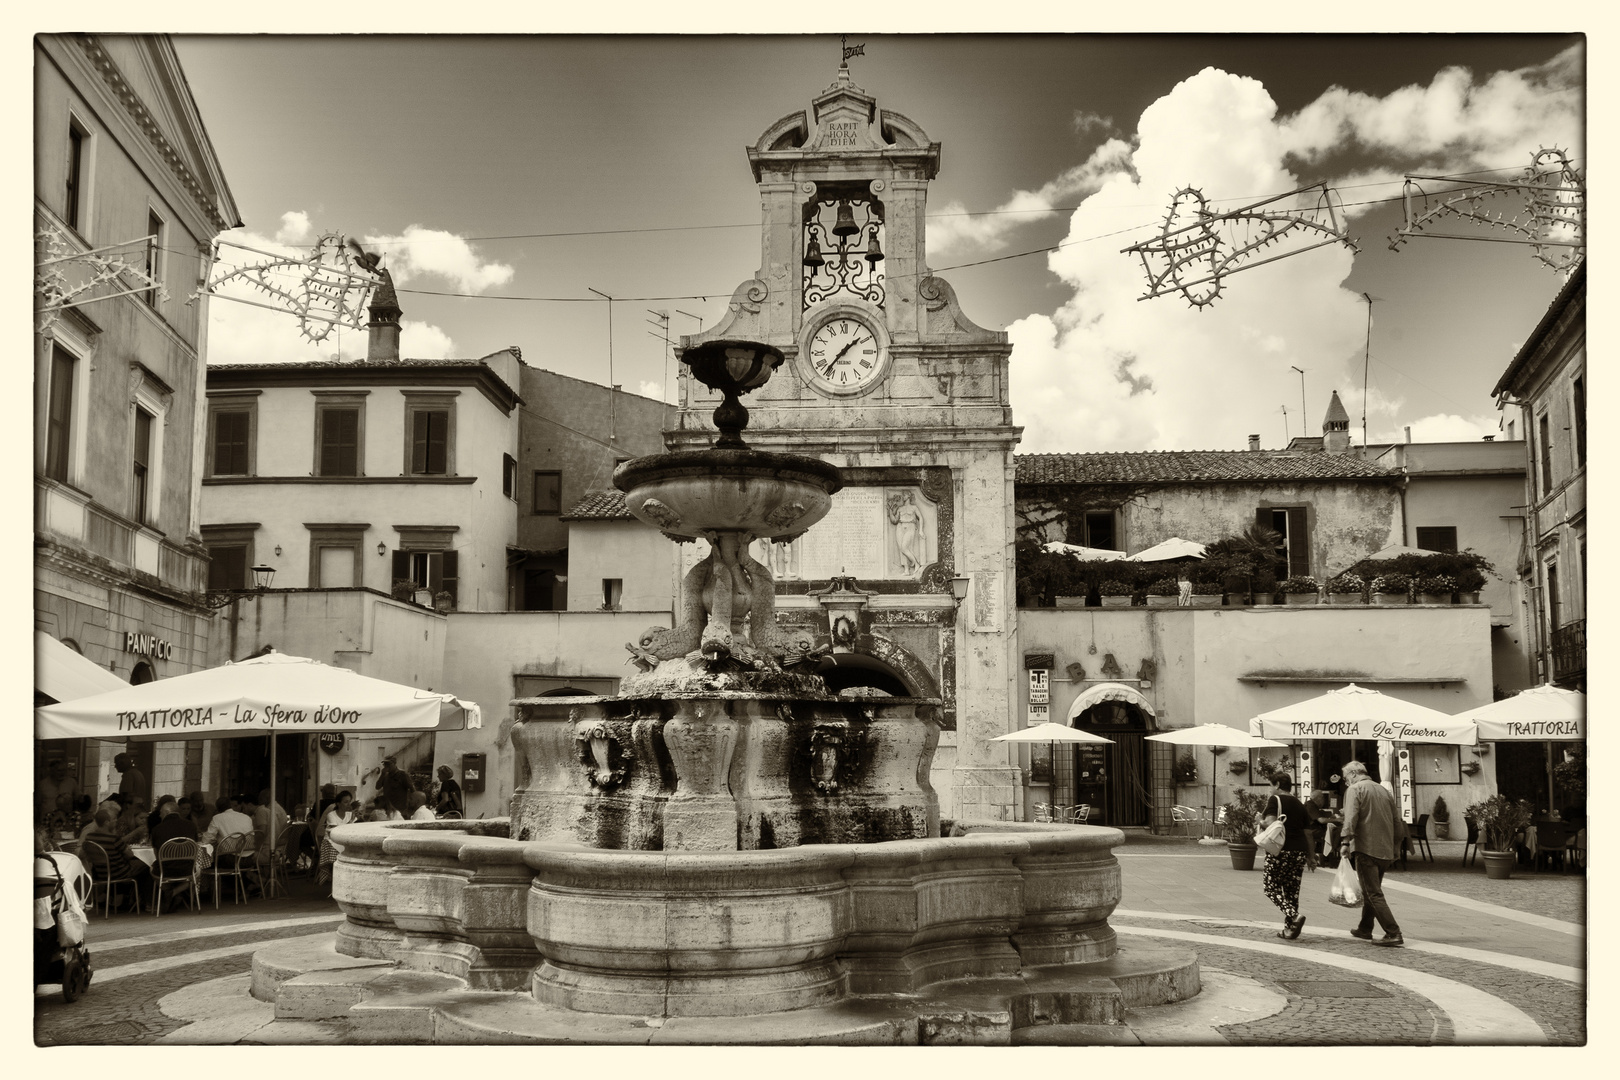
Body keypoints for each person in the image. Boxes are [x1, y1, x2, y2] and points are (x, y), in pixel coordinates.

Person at [1338, 760, 1403, 947]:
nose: (1345, 782)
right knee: (1371, 890)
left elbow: (1350, 818)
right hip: (1385, 849)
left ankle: (1393, 932)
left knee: (1372, 893)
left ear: (1353, 774)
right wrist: (1396, 846)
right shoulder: (1383, 790)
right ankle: (1365, 928)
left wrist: (1345, 841)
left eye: (1345, 778)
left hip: (1366, 847)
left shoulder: (1355, 789)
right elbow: (1397, 821)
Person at [1259, 774, 1311, 939]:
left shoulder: (1275, 799)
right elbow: (1308, 832)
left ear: (1278, 784)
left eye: (1270, 785)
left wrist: (1259, 820)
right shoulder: (1300, 804)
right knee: (1291, 891)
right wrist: (1311, 857)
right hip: (1299, 851)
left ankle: (1294, 916)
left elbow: (1270, 822)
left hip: (1280, 850)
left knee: (1270, 887)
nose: (1270, 789)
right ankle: (1290, 929)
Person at [84, 806, 153, 911]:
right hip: (119, 872)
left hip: (101, 873)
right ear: (107, 822)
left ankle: (131, 900)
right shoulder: (113, 839)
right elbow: (129, 855)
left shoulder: (89, 837)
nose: (116, 821)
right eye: (114, 819)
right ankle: (147, 902)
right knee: (148, 866)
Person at [316, 790, 356, 895]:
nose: (348, 804)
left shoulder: (350, 815)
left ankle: (346, 884)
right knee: (337, 858)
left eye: (349, 802)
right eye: (345, 802)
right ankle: (338, 884)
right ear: (338, 804)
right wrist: (351, 822)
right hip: (331, 842)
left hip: (345, 842)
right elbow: (336, 831)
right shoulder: (331, 815)